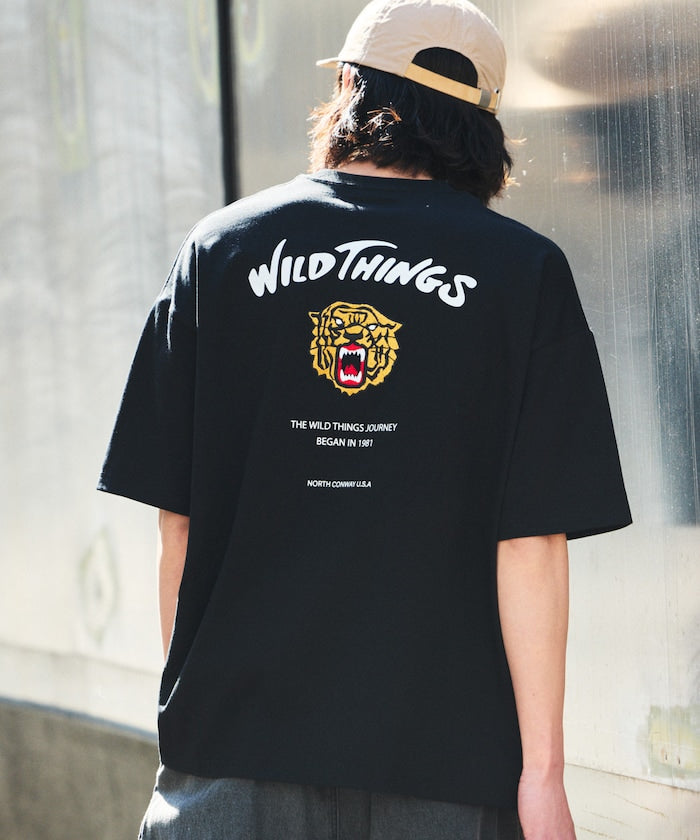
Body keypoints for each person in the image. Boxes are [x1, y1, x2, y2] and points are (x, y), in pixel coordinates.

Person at [99, 1, 632, 838]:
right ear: (483, 124)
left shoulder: (219, 252)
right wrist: (543, 778)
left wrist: (195, 727)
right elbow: (530, 543)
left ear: (349, 86)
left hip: (237, 757)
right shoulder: (524, 272)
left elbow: (180, 524)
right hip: (446, 768)